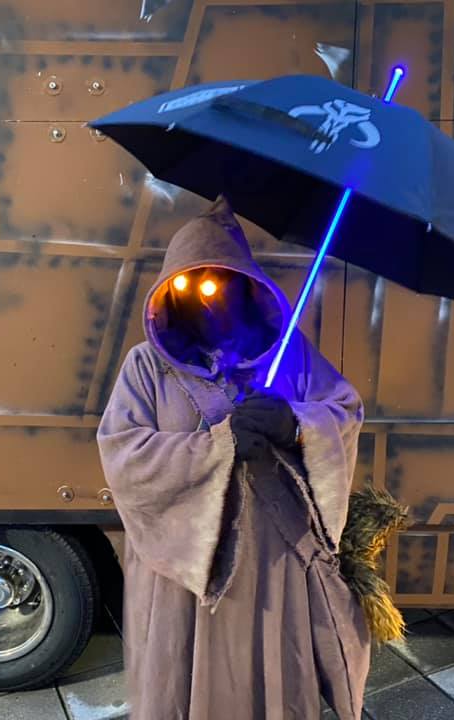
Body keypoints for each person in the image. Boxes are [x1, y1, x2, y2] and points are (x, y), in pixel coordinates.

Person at [96, 196, 370, 719]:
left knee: (272, 677)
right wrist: (217, 446)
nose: (208, 295)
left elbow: (344, 411)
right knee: (183, 682)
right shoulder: (146, 367)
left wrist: (295, 423)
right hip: (186, 574)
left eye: (220, 280)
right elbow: (125, 453)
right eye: (191, 284)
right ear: (168, 291)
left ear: (247, 284)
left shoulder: (290, 353)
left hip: (271, 564)